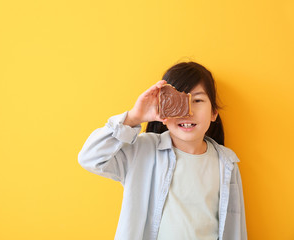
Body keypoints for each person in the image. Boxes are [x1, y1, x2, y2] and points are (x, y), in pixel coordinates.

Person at [78, 61, 247, 240]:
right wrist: (134, 117)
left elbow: (235, 229)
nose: (188, 111)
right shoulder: (142, 151)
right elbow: (90, 157)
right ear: (163, 113)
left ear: (214, 113)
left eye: (197, 100)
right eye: (177, 101)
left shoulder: (226, 163)